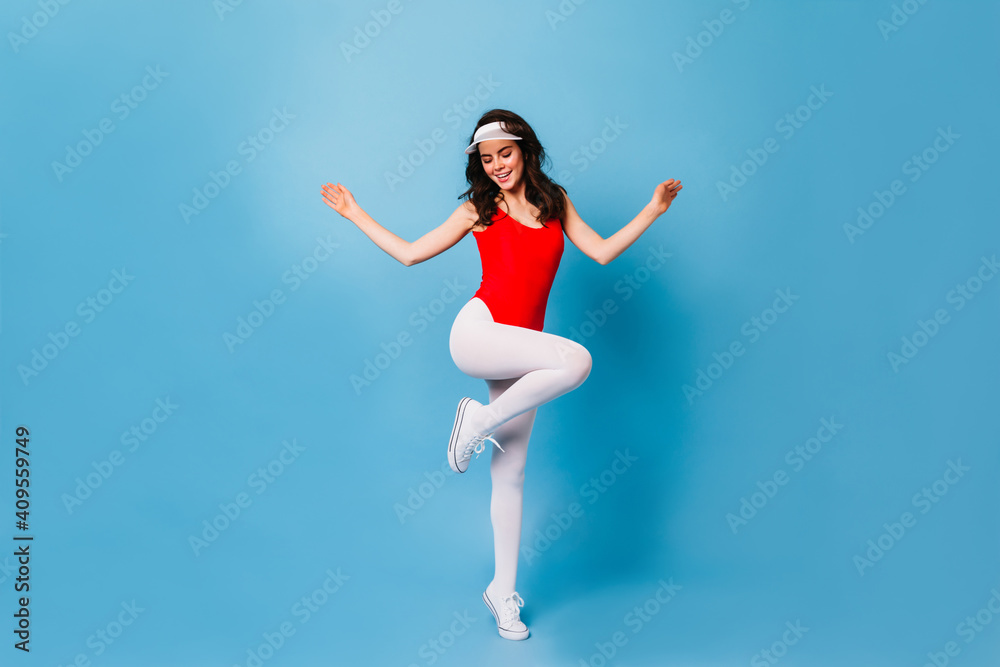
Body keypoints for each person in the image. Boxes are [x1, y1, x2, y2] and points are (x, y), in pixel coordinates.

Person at [320, 109, 681, 641]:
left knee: (510, 475)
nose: (497, 167)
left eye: (504, 155)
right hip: (479, 333)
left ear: (524, 150)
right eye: (487, 160)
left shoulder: (555, 202)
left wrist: (653, 209)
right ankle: (476, 423)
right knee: (577, 360)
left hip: (522, 350)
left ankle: (502, 592)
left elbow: (602, 252)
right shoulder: (477, 211)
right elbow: (410, 254)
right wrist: (354, 213)